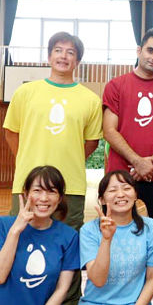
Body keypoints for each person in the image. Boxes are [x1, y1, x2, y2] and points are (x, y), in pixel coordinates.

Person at [102, 28, 153, 294]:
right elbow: (109, 130)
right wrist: (137, 161)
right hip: (120, 177)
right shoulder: (116, 86)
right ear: (139, 51)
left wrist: (152, 163)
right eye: (150, 50)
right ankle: (112, 289)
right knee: (112, 230)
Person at [3, 31, 102, 230]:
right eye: (58, 50)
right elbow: (11, 133)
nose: (63, 56)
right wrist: (26, 158)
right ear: (49, 57)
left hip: (70, 185)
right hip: (28, 182)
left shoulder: (91, 99)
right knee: (21, 236)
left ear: (77, 61)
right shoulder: (25, 92)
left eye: (70, 52)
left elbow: (92, 142)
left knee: (68, 239)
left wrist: (68, 158)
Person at [79, 170, 153, 305]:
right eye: (112, 190)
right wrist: (106, 240)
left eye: (126, 188)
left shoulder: (151, 228)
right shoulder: (89, 230)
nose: (120, 194)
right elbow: (98, 280)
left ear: (136, 194)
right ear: (102, 199)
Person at [0, 166, 79, 305]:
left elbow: (62, 289)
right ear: (26, 194)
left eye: (51, 192)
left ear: (60, 198)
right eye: (37, 190)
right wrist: (15, 232)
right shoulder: (4, 225)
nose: (44, 198)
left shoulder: (69, 236)